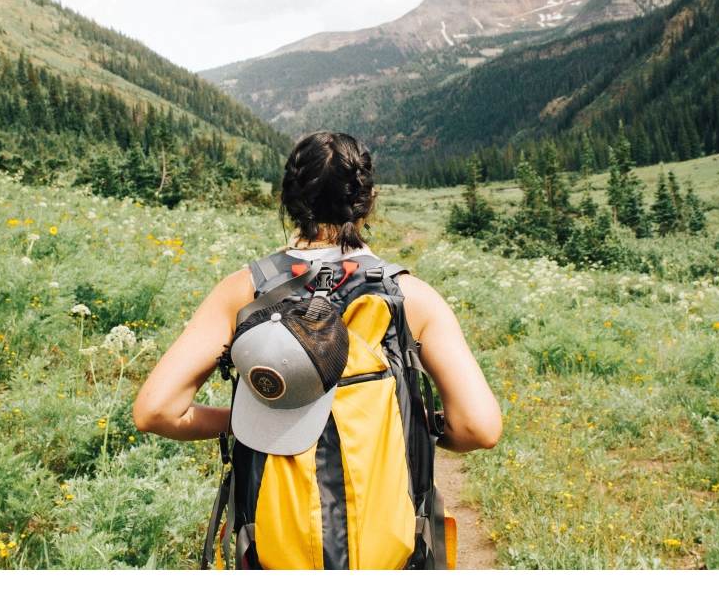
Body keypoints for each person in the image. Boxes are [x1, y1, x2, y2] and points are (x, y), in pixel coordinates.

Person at [134, 131, 501, 569]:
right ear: (368, 200)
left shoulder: (244, 292)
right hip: (388, 552)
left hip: (276, 550)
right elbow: (480, 428)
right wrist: (416, 425)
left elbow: (156, 411)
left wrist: (246, 422)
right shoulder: (410, 297)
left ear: (289, 200)